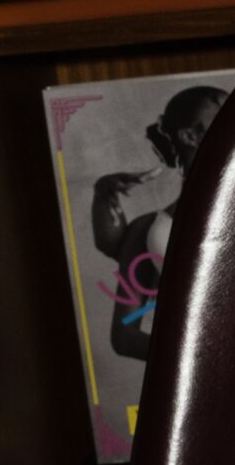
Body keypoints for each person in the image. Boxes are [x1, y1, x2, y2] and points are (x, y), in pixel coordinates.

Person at [90, 84, 225, 361]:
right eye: (225, 114)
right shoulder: (150, 231)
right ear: (190, 136)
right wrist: (204, 362)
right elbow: (125, 335)